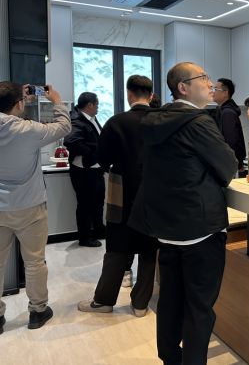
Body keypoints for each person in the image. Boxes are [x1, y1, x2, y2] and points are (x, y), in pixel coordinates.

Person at [129, 62, 238, 365]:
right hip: (199, 227)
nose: (210, 83)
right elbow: (228, 166)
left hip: (167, 229)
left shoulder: (155, 120)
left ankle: (170, 359)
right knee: (199, 308)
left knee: (170, 300)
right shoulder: (197, 122)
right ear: (183, 87)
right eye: (204, 78)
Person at [77, 76, 158, 317]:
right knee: (149, 249)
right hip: (155, 195)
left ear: (129, 94)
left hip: (122, 192)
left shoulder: (116, 122)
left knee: (117, 247)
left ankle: (104, 301)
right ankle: (140, 305)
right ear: (151, 95)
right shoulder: (162, 121)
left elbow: (102, 159)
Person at [0, 82, 70, 332]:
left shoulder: (24, 126)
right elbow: (63, 126)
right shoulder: (27, 130)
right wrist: (56, 100)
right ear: (19, 104)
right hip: (29, 205)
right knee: (34, 262)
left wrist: (18, 100)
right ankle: (38, 311)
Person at [64, 92, 106, 247]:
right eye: (97, 105)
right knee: (86, 205)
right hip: (84, 171)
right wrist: (93, 153)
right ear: (90, 105)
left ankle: (99, 230)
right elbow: (71, 142)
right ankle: (85, 238)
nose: (98, 108)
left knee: (98, 202)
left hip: (96, 169)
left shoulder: (90, 118)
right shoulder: (76, 120)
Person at [212, 78, 246, 172]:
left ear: (225, 93)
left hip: (228, 165)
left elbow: (231, 142)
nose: (212, 92)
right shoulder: (223, 111)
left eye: (215, 89)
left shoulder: (228, 113)